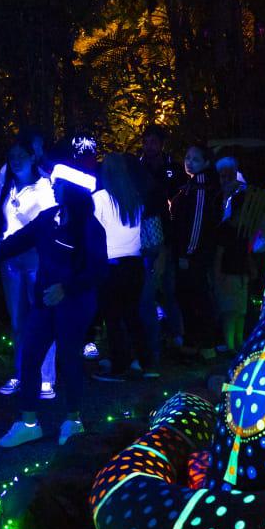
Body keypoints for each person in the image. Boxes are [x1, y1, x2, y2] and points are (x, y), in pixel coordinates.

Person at [0, 161, 108, 448]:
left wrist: (67, 288)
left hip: (75, 304)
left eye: (59, 185)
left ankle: (73, 419)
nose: (53, 187)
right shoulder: (48, 216)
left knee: (69, 358)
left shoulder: (90, 227)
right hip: (44, 301)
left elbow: (98, 269)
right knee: (29, 355)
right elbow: (22, 238)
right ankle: (28, 422)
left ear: (74, 191)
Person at [0, 138, 58, 399]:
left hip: (37, 259)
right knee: (18, 320)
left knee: (41, 317)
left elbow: (51, 221)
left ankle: (46, 377)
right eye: (12, 155)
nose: (15, 159)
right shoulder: (7, 185)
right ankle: (21, 372)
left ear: (32, 157)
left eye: (21, 155)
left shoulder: (44, 187)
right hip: (10, 259)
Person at [91, 154, 149, 381]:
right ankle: (143, 361)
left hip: (111, 265)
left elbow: (94, 233)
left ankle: (118, 366)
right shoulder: (135, 198)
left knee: (113, 318)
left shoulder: (100, 199)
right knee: (133, 315)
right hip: (134, 264)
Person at [170, 143, 222, 358]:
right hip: (192, 254)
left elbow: (197, 223)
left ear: (206, 163)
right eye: (188, 157)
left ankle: (204, 344)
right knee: (190, 297)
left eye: (195, 159)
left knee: (196, 298)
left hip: (194, 256)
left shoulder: (201, 186)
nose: (189, 162)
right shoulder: (191, 185)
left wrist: (187, 253)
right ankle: (195, 343)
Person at [138, 125, 180, 361]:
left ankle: (175, 333)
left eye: (154, 142)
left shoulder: (171, 168)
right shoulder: (137, 167)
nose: (150, 146)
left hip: (166, 233)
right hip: (145, 234)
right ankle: (156, 331)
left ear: (161, 144)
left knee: (169, 287)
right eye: (146, 141)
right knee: (149, 286)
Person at [213, 155, 251, 354]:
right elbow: (220, 249)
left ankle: (237, 342)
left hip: (240, 268)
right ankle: (231, 345)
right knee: (231, 310)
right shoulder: (226, 225)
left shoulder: (242, 224)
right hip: (230, 269)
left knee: (239, 310)